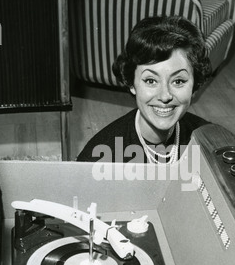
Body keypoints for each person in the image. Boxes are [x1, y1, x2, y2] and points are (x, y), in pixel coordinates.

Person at [77, 15, 212, 163]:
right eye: (151, 81)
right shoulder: (98, 157)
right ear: (131, 83)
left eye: (178, 81)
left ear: (194, 84)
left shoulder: (210, 140)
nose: (165, 96)